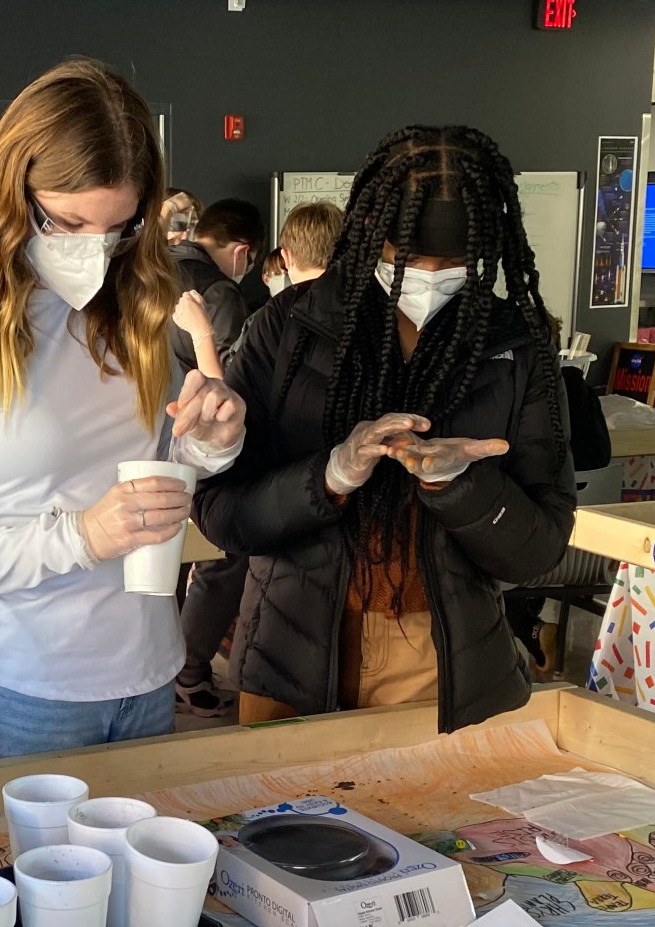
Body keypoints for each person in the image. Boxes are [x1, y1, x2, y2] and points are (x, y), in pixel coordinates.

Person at [0, 60, 246, 763]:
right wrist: (82, 536)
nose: (93, 251)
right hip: (26, 680)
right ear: (12, 193)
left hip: (146, 668)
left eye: (117, 228)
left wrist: (208, 446)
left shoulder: (134, 307)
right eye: (68, 221)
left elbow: (157, 483)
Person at [193, 125, 575, 729]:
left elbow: (539, 550)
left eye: (454, 262)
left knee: (426, 821)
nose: (429, 275)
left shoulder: (516, 348)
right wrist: (329, 477)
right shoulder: (288, 329)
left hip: (440, 661)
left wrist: (462, 487)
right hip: (291, 644)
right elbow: (224, 517)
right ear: (373, 235)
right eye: (407, 257)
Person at [176, 202, 344, 716]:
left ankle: (181, 669)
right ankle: (186, 669)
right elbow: (225, 395)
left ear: (286, 255)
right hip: (309, 524)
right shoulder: (238, 302)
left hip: (228, 484)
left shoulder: (160, 276)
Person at [169, 197, 264, 374]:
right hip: (189, 398)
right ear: (241, 252)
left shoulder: (155, 268)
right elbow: (230, 374)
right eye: (249, 262)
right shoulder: (220, 291)